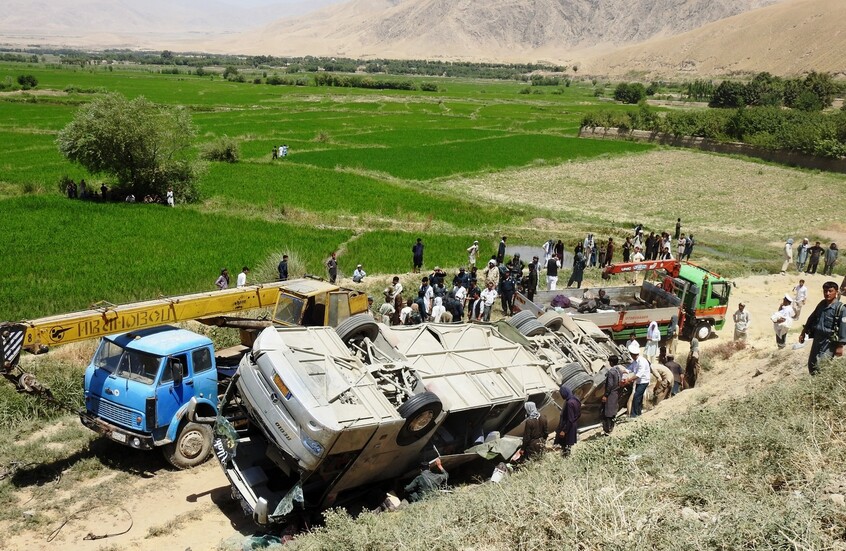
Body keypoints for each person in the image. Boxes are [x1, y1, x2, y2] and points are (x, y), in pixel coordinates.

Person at [799, 281, 846, 375]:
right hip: (817, 339)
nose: (827, 293)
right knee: (812, 365)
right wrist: (803, 332)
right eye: (825, 291)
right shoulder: (821, 304)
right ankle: (813, 385)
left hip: (829, 341)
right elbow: (812, 318)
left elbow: (843, 327)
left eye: (830, 291)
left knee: (822, 365)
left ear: (836, 292)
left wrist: (840, 346)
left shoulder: (841, 308)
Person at [555, 385, 581, 457]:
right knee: (568, 444)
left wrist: (564, 430)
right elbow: (579, 414)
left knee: (565, 444)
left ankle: (565, 457)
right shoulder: (576, 399)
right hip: (573, 425)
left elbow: (570, 419)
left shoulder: (569, 403)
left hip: (568, 426)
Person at [628, 341, 651, 418]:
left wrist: (629, 379)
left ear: (632, 355)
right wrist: (625, 370)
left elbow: (639, 374)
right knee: (639, 397)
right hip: (639, 382)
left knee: (636, 397)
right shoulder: (635, 361)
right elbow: (630, 368)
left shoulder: (642, 361)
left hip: (643, 381)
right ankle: (638, 413)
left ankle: (634, 415)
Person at [601, 355, 623, 435]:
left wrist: (605, 395)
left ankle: (607, 430)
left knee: (607, 412)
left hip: (611, 394)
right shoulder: (619, 370)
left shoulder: (611, 372)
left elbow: (609, 385)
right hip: (616, 392)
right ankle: (612, 427)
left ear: (611, 362)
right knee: (613, 411)